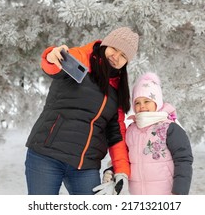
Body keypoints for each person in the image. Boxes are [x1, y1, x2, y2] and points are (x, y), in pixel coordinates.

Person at [25, 26, 139, 195]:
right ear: (106, 45)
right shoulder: (81, 59)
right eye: (114, 49)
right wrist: (51, 56)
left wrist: (121, 170)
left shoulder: (117, 90)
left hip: (84, 167)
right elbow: (53, 67)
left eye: (123, 56)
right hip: (47, 156)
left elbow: (116, 134)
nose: (116, 57)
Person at [94, 72, 193, 195]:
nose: (142, 106)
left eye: (147, 101)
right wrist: (112, 170)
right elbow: (125, 158)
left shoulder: (170, 128)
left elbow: (183, 160)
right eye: (137, 102)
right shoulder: (131, 130)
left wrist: (179, 192)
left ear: (157, 102)